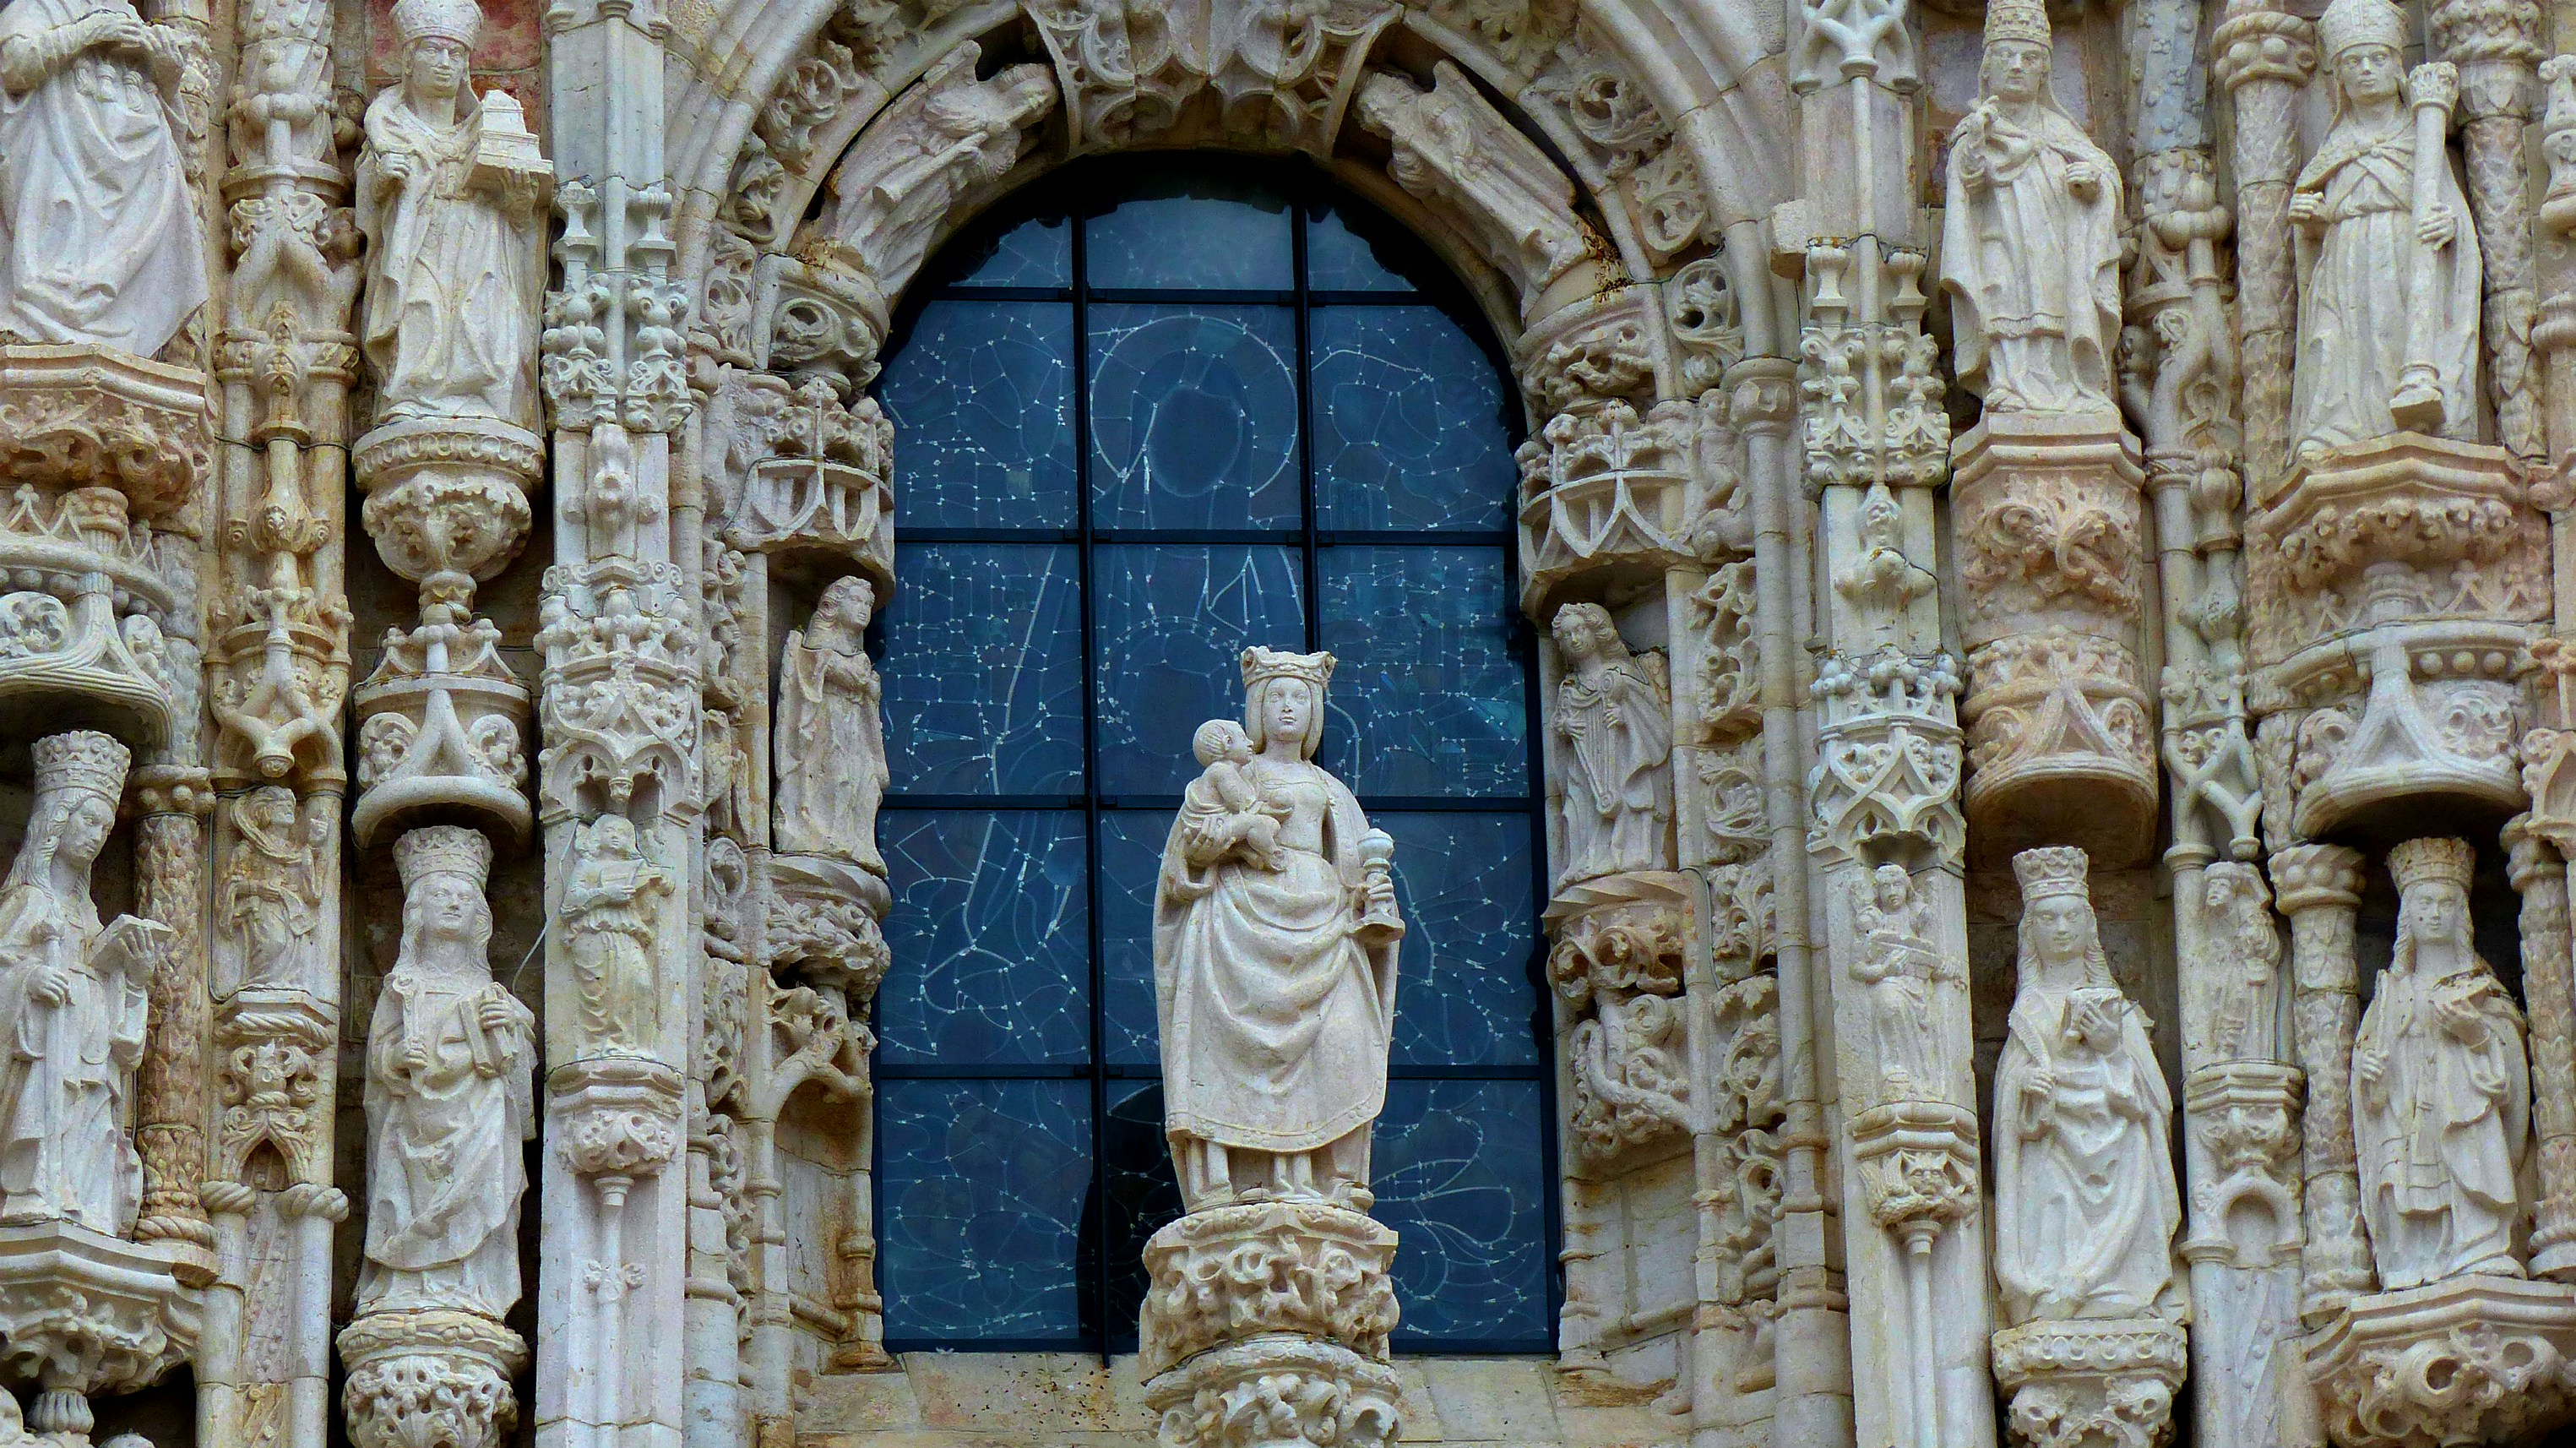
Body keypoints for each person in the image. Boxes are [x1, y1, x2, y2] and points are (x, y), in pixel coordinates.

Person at [1155, 647, 1399, 1210]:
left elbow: (1359, 868)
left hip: (1324, 917)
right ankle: (1240, 1179)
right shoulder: (1227, 778)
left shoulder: (1334, 791)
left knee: (1338, 1041)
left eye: (1300, 697)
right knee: (1234, 1051)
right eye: (1276, 696)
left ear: (1315, 711)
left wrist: (1372, 898)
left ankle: (1327, 1179)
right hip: (1237, 922)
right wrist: (1233, 836)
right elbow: (1183, 861)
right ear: (1255, 709)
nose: (1288, 708)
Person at [1992, 846, 2184, 1325]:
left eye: (2071, 917)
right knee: (2049, 1190)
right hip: (2052, 1142)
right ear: (2031, 931)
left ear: (2088, 926)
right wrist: (2027, 1088)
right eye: (2049, 919)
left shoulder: (2116, 1007)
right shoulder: (2029, 1012)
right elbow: (2008, 1098)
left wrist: (2111, 1049)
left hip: (2117, 1139)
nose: (2061, 929)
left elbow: (2155, 1101)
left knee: (2136, 1144)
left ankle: (2118, 1287)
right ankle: (2054, 1288)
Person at [2288, 0, 2482, 457]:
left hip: (2403, 253)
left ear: (2397, 66)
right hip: (2345, 262)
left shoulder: (2422, 137)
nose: (2365, 71)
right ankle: (2336, 429)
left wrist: (2447, 224)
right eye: (2352, 62)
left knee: (2395, 334)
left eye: (2377, 58)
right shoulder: (2333, 148)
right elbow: (2318, 224)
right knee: (2335, 343)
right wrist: (2312, 222)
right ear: (2338, 77)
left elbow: (2451, 212)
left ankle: (2424, 422)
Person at [360, 825, 533, 1318]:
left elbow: (517, 1066)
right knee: (402, 1192)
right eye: (440, 895)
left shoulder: (491, 991)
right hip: (411, 1121)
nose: (453, 904)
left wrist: (513, 1031)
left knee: (482, 1195)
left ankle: (472, 1287)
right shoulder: (403, 985)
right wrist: (396, 1060)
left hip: (480, 1119)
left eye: (463, 896)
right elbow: (380, 1059)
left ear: (481, 913)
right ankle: (405, 1291)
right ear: (416, 911)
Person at [355, 0, 544, 425]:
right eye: (432, 50)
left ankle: (484, 400)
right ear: (407, 59)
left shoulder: (486, 129)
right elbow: (366, 221)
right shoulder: (390, 133)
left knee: (481, 316)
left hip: (481, 249)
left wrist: (516, 200)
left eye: (455, 54)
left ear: (465, 67)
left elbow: (521, 226)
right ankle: (410, 395)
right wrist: (384, 179)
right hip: (420, 243)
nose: (444, 63)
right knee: (422, 308)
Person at [2354, 836, 2530, 1288]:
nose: (2434, 913)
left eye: (2446, 903)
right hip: (2407, 1117)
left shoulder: (2481, 988)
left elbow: (2509, 1058)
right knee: (2407, 1181)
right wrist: (2370, 1075)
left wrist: (2474, 1036)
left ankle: (2477, 1248)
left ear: (2462, 914)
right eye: (2423, 904)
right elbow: (2371, 1064)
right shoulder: (2393, 991)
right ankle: (2409, 1259)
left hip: (2462, 1114)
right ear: (2406, 916)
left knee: (2465, 1157)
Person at [0, 732, 153, 1233]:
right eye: (88, 820)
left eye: (106, 826)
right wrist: (28, 980)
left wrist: (131, 979)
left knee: (91, 1122)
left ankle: (82, 1201)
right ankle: (36, 1188)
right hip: (47, 1042)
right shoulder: (26, 901)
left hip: (90, 1042)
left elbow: (108, 995)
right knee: (47, 1116)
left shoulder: (87, 915)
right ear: (57, 820)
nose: (98, 835)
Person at [1938, 0, 2122, 415]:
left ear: (2045, 70)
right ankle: (2007, 382)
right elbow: (1965, 182)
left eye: (2030, 57)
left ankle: (2074, 387)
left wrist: (2093, 187)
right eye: (2005, 56)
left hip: (2055, 246)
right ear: (1987, 67)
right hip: (1999, 239)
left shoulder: (2061, 131)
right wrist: (1977, 146)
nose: (2017, 65)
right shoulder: (1977, 129)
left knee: (2058, 304)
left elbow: (2102, 175)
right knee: (2004, 299)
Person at [0, 0, 204, 354]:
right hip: (58, 156)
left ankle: (130, 319)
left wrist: (168, 76)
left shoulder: (128, 15)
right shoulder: (39, 6)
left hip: (134, 179)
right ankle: (41, 317)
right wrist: (86, 33)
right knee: (58, 230)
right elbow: (16, 65)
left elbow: (179, 139)